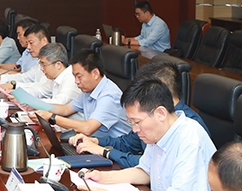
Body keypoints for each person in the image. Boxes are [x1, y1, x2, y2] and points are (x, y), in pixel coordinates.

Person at [78, 78, 222, 191]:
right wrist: (102, 178)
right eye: (131, 122)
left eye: (137, 122)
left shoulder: (190, 137)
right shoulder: (158, 132)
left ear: (161, 113)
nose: (134, 129)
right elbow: (145, 172)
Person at [70, 61, 208, 167]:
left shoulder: (188, 128)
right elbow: (128, 143)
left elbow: (147, 165)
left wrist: (104, 152)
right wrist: (97, 141)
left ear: (158, 90)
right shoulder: (150, 117)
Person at [34, 49, 131, 138]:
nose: (76, 81)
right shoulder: (89, 90)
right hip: (95, 143)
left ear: (95, 74)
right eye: (74, 77)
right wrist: (36, 105)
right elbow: (65, 109)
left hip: (115, 148)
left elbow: (88, 128)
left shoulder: (109, 96)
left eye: (79, 77)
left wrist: (51, 117)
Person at [0, 22, 49, 92]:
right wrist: (2, 78)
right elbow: (25, 77)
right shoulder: (39, 61)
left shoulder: (52, 61)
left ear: (44, 41)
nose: (28, 47)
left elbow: (42, 88)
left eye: (31, 43)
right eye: (27, 43)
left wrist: (14, 85)